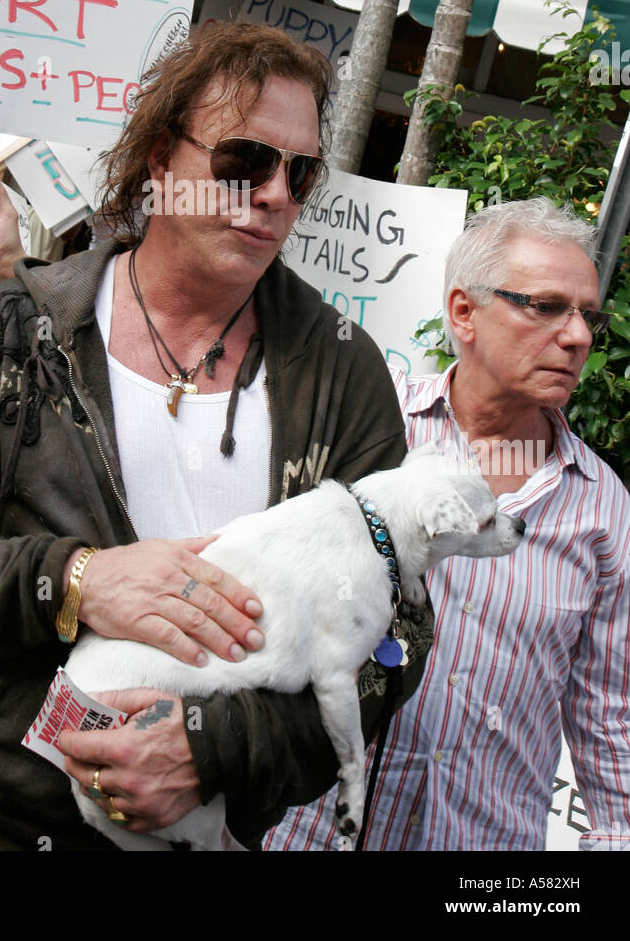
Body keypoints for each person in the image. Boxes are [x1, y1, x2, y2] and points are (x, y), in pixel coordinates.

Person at [0, 23, 434, 852]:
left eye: (298, 174)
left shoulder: (340, 372)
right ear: (160, 160)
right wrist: (74, 581)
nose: (272, 195)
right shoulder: (18, 330)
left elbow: (398, 633)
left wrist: (211, 748)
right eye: (243, 161)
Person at [266, 198, 630, 852]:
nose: (576, 337)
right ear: (464, 312)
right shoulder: (371, 426)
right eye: (546, 307)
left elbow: (608, 713)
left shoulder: (603, 509)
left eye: (587, 316)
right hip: (308, 831)